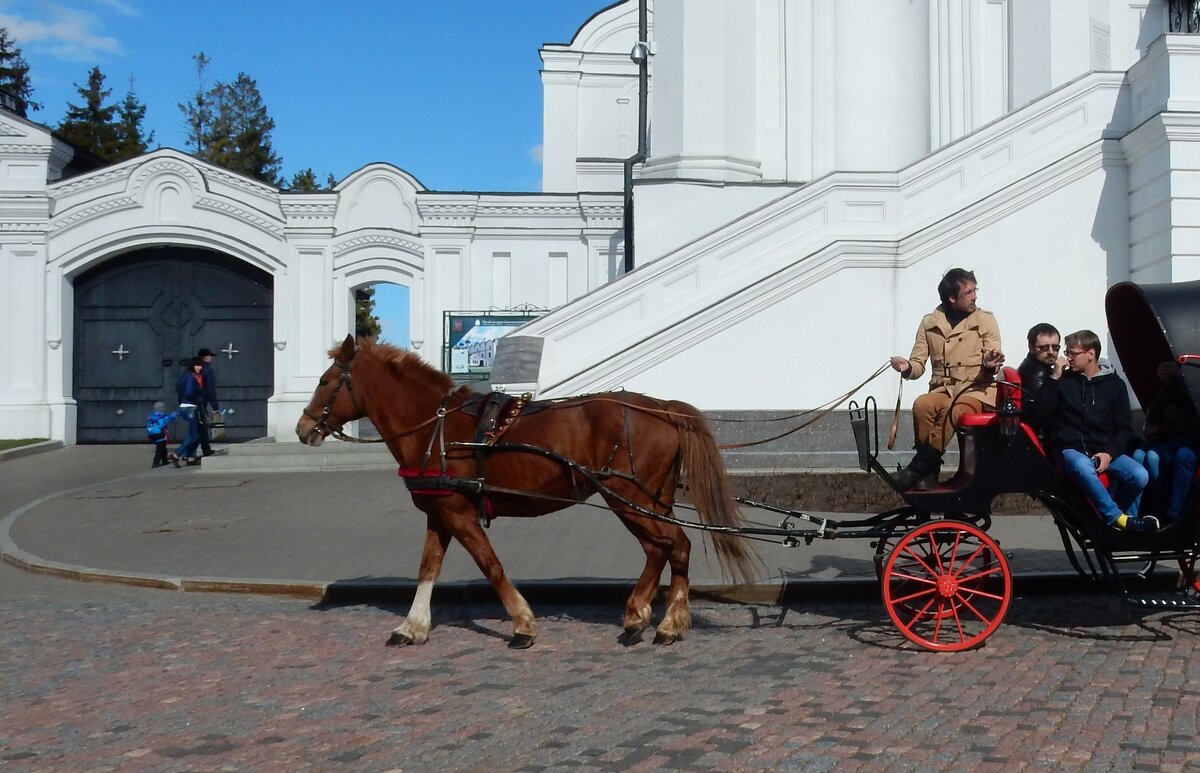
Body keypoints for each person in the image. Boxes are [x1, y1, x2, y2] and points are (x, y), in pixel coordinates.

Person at [890, 268, 1005, 489]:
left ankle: (918, 468)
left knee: (956, 408)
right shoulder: (929, 323)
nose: (974, 297)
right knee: (922, 405)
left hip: (976, 390)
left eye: (975, 290)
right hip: (943, 389)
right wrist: (906, 367)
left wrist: (990, 364)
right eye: (968, 293)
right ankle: (930, 474)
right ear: (952, 298)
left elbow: (993, 354)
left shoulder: (985, 320)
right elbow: (917, 365)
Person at [1039, 330, 1157, 533]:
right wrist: (1055, 376)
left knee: (1139, 475)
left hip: (1104, 448)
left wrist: (1109, 453)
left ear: (1091, 354)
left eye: (1072, 353)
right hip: (1071, 448)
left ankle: (1126, 518)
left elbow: (1123, 428)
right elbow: (1041, 413)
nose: (1067, 358)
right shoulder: (1064, 381)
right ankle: (1116, 519)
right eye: (1067, 353)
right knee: (1083, 467)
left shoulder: (1115, 385)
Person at [1131, 361, 1199, 522]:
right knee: (1138, 455)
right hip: (1166, 436)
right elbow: (1154, 412)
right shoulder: (1165, 389)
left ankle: (1164, 512)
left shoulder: (1189, 386)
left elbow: (1191, 417)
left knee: (1156, 456)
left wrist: (1177, 379)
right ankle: (1136, 512)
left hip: (1186, 436)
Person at [1016, 322, 1063, 435]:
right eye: (1044, 348)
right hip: (1044, 437)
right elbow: (1039, 414)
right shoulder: (1038, 373)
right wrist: (1055, 377)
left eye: (1055, 347)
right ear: (1031, 348)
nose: (1051, 352)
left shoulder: (1030, 364)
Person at [174, 357, 207, 466]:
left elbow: (178, 389)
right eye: (197, 365)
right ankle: (177, 454)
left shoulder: (185, 376)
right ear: (192, 366)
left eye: (200, 365)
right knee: (194, 435)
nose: (200, 367)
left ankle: (189, 456)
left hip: (185, 406)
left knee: (195, 434)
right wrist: (198, 399)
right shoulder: (191, 377)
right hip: (190, 407)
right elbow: (189, 392)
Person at [196, 347, 221, 457]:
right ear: (206, 357)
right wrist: (215, 407)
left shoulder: (194, 369)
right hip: (201, 402)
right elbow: (210, 390)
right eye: (210, 356)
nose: (211, 358)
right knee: (200, 428)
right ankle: (182, 453)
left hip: (192, 401)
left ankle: (205, 449)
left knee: (199, 428)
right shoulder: (207, 370)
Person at [145, 401, 180, 469]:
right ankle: (156, 463)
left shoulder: (151, 417)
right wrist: (176, 414)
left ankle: (165, 460)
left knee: (163, 447)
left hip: (152, 434)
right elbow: (168, 419)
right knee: (160, 449)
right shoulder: (161, 417)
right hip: (160, 435)